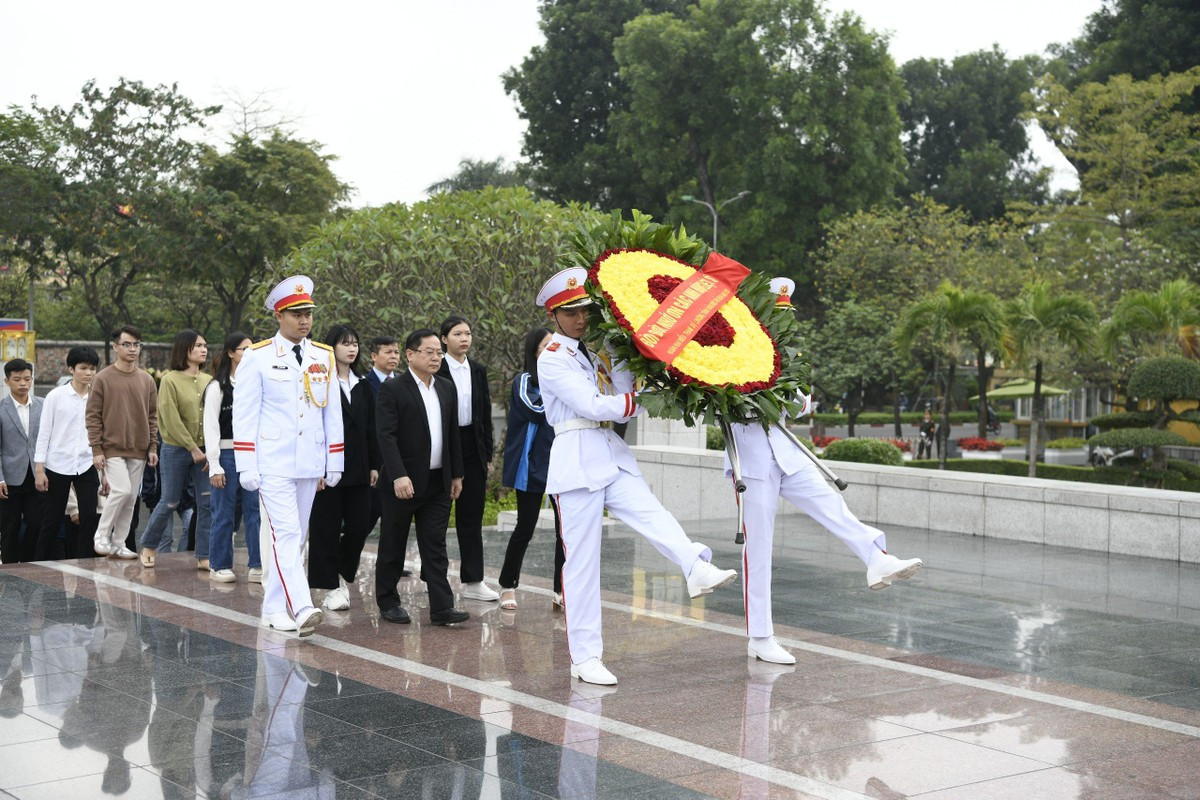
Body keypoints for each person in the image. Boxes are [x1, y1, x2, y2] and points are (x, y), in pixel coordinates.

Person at [536, 267, 737, 686]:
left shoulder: (592, 352)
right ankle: (585, 657)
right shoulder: (553, 358)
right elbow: (594, 404)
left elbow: (621, 391)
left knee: (654, 513)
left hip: (610, 453)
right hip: (576, 461)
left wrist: (634, 354)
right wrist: (639, 399)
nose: (580, 319)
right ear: (553, 316)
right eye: (570, 312)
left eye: (585, 311)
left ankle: (694, 565)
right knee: (582, 565)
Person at [727, 278, 923, 665]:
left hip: (786, 451)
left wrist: (790, 391)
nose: (783, 326)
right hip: (749, 458)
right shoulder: (731, 348)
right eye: (775, 317)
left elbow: (804, 404)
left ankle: (875, 558)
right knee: (759, 548)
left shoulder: (791, 355)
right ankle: (760, 636)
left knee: (833, 506)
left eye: (786, 318)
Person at [233, 275, 344, 638]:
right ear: (279, 316)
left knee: (295, 539)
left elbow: (331, 413)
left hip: (309, 462)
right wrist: (246, 464)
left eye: (308, 313)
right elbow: (245, 414)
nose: (304, 320)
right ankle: (302, 606)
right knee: (286, 532)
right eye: (295, 313)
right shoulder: (258, 356)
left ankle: (273, 608)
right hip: (273, 461)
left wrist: (334, 459)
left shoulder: (322, 355)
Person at [374, 328, 468, 626]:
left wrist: (456, 474)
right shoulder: (393, 389)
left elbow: (452, 434)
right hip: (404, 483)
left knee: (435, 545)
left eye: (439, 352)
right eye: (429, 352)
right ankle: (388, 601)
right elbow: (385, 437)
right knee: (393, 542)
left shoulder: (445, 387)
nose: (436, 357)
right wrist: (399, 476)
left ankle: (442, 607)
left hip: (439, 481)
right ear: (410, 354)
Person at [307, 324, 381, 612]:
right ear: (331, 347)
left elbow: (372, 428)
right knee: (325, 528)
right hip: (327, 469)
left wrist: (375, 464)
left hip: (360, 468)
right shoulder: (319, 382)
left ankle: (340, 571)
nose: (352, 348)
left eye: (355, 343)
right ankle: (330, 587)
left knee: (360, 525)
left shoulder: (363, 385)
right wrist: (317, 469)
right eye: (345, 343)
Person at [497, 326, 564, 611]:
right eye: (545, 344)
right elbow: (536, 410)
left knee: (566, 531)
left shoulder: (564, 377)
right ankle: (507, 586)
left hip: (562, 463)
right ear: (534, 351)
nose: (551, 348)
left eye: (554, 343)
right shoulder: (525, 381)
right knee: (525, 527)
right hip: (531, 465)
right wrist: (564, 396)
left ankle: (561, 590)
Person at [138, 330, 213, 569]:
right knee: (169, 501)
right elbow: (169, 419)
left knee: (207, 503)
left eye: (205, 345)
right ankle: (149, 544)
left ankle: (203, 554)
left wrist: (208, 450)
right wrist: (192, 447)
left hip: (205, 451)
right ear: (185, 349)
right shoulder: (170, 380)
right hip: (176, 449)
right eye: (198, 345)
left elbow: (212, 419)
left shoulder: (209, 380)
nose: (204, 349)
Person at [437, 315, 499, 602]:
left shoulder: (477, 370)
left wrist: (486, 454)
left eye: (468, 333)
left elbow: (484, 414)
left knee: (471, 515)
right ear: (444, 339)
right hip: (443, 446)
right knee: (436, 515)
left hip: (471, 446)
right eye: (458, 334)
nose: (465, 338)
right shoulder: (436, 368)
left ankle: (473, 580)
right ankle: (433, 577)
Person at [87, 325, 158, 559]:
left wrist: (152, 446)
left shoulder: (147, 380)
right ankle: (101, 535)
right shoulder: (103, 378)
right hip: (112, 448)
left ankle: (119, 543)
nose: (132, 349)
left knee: (131, 498)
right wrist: (97, 449)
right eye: (127, 344)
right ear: (116, 347)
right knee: (122, 490)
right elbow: (93, 416)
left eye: (136, 344)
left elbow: (152, 416)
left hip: (139, 448)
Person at [203, 332, 263, 584]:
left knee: (255, 511)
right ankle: (219, 564)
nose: (249, 355)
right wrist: (214, 465)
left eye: (253, 350)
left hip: (253, 454)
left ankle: (258, 564)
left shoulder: (257, 385)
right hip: (227, 453)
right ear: (230, 353)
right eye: (244, 350)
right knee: (224, 512)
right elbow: (210, 428)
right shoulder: (217, 387)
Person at [34, 347, 102, 561]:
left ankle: (84, 562)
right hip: (58, 465)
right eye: (83, 368)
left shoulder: (98, 397)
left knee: (89, 515)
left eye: (92, 369)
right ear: (71, 369)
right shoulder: (55, 396)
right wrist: (39, 469)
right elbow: (44, 433)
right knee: (52, 519)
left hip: (86, 463)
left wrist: (106, 473)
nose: (88, 373)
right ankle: (38, 562)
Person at [363, 335, 401, 570]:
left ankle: (391, 560)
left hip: (399, 460)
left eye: (396, 352)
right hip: (375, 460)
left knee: (395, 516)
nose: (393, 357)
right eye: (388, 352)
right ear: (374, 356)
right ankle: (346, 555)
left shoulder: (405, 383)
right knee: (368, 515)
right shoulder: (365, 385)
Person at [0, 358, 44, 563]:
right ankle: (9, 568)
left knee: (36, 522)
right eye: (17, 379)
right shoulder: (1, 408)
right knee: (10, 525)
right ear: (7, 381)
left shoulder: (43, 406)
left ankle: (26, 564)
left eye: (27, 379)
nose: (23, 384)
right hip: (9, 478)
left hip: (36, 474)